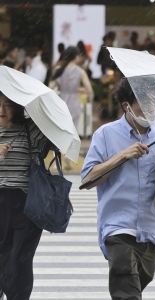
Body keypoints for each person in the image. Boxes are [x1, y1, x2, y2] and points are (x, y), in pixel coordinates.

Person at [81, 77, 155, 300]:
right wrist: (121, 156)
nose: (152, 109)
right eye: (146, 104)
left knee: (129, 291)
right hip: (117, 228)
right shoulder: (105, 134)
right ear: (127, 106)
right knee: (127, 294)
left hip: (151, 230)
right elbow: (87, 180)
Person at [0, 92, 49, 300]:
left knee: (21, 260)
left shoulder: (33, 130)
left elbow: (42, 160)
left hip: (25, 205)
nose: (2, 110)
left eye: (8, 105)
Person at [49, 46, 93, 128]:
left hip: (61, 101)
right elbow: (89, 90)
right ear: (76, 56)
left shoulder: (58, 70)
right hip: (74, 102)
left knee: (60, 128)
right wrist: (77, 89)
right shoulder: (80, 71)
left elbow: (50, 87)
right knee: (72, 130)